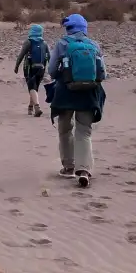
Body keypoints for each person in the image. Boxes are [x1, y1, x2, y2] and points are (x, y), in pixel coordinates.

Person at [47, 13, 107, 188]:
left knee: (65, 130)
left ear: (68, 27)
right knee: (84, 132)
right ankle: (84, 170)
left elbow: (51, 71)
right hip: (89, 94)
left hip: (65, 92)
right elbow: (103, 73)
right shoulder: (94, 45)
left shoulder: (62, 44)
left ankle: (68, 168)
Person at [14, 24, 51, 117]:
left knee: (31, 87)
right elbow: (50, 57)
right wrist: (51, 69)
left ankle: (37, 107)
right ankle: (30, 107)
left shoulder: (28, 42)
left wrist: (17, 66)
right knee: (35, 88)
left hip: (30, 68)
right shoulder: (44, 43)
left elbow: (21, 55)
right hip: (41, 68)